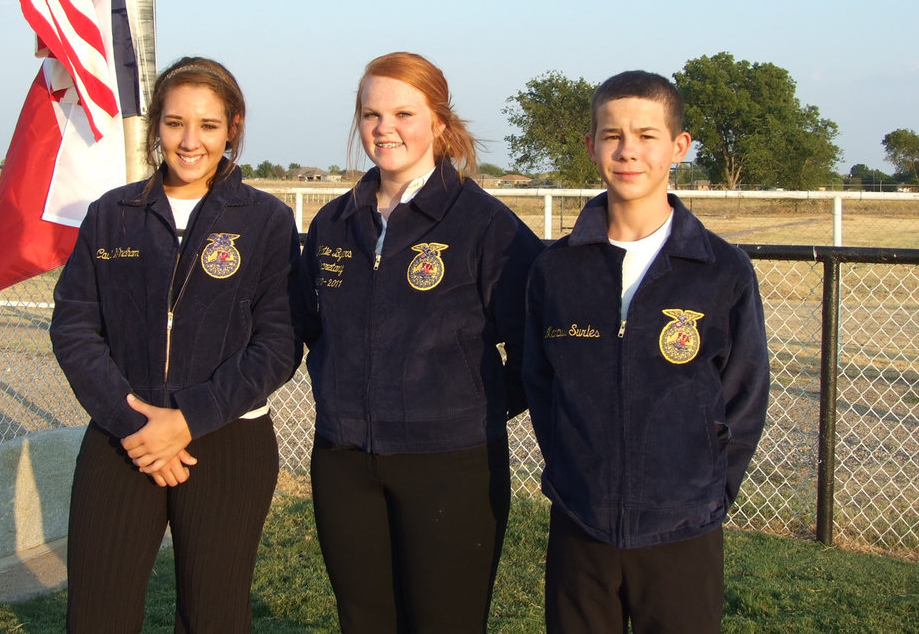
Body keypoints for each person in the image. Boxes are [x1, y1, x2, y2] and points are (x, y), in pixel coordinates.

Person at [49, 56, 301, 633]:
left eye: (208, 125)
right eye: (175, 123)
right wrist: (132, 421)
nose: (190, 142)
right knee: (96, 615)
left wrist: (187, 419)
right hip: (125, 437)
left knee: (214, 615)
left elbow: (280, 343)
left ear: (232, 128)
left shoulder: (265, 221)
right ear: (155, 127)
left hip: (227, 439)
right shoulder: (112, 214)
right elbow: (74, 326)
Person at [294, 51, 544, 633]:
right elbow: (302, 327)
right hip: (344, 461)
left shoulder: (484, 225)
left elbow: (537, 345)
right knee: (365, 620)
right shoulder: (334, 223)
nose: (386, 129)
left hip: (451, 466)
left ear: (439, 122)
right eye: (372, 114)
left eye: (404, 113)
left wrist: (468, 405)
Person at [523, 69, 770, 633]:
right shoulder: (556, 269)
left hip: (683, 528)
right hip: (581, 523)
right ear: (590, 146)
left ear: (678, 147)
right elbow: (541, 384)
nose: (628, 151)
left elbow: (744, 394)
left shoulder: (721, 269)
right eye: (612, 135)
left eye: (646, 135)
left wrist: (706, 492)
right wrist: (571, 472)